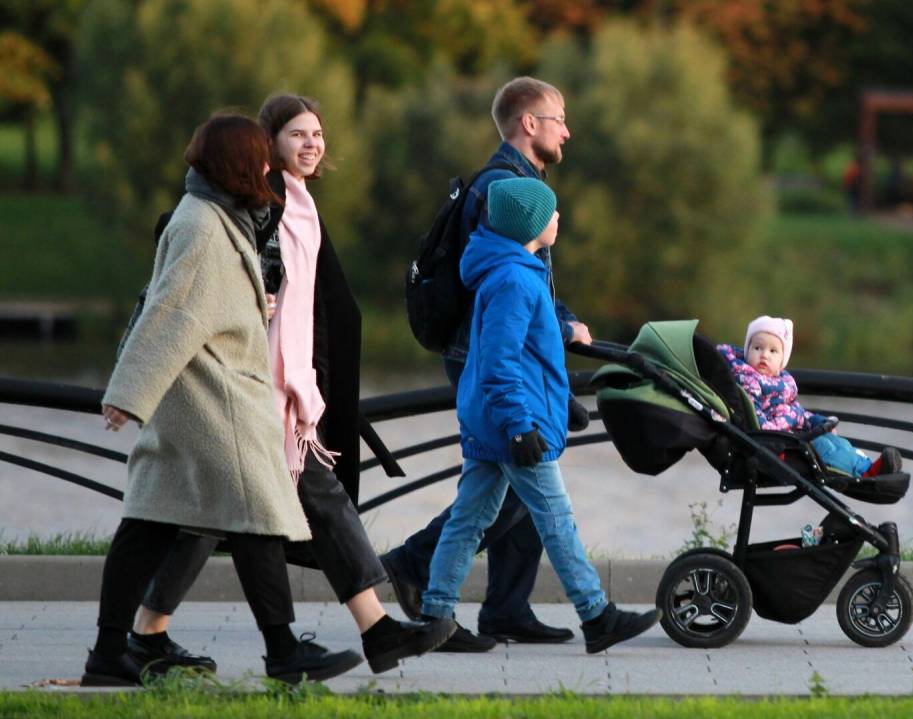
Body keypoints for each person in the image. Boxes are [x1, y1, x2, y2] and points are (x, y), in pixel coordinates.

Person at [127, 95, 455, 677]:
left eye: (318, 135)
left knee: (228, 517)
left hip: (288, 389)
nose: (312, 144)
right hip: (252, 387)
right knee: (275, 510)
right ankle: (348, 635)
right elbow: (207, 270)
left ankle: (146, 635)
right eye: (298, 134)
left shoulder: (300, 203)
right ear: (268, 142)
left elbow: (314, 308)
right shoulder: (262, 203)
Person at [84, 112, 362, 686]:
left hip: (204, 394)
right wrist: (129, 394)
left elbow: (202, 302)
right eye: (260, 156)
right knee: (256, 518)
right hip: (213, 398)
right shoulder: (203, 226)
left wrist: (245, 304)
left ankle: (111, 656)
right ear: (240, 162)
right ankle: (284, 654)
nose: (269, 166)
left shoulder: (214, 215)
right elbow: (172, 313)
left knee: (150, 525)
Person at [380, 77, 589, 651]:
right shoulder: (502, 187)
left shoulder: (520, 183)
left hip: (502, 352)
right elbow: (500, 285)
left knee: (517, 480)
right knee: (515, 478)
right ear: (530, 123)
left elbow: (529, 277)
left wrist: (560, 319)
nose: (567, 129)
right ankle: (413, 565)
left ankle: (505, 607)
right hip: (488, 358)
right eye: (559, 118)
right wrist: (560, 325)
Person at [415, 177, 661, 654]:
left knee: (469, 520)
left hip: (496, 420)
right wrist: (520, 426)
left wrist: (563, 360)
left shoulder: (512, 271)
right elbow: (500, 362)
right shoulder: (513, 279)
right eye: (551, 213)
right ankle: (597, 615)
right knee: (556, 518)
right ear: (530, 224)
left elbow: (525, 345)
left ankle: (435, 617)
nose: (558, 219)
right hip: (512, 424)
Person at [717, 316, 902, 479]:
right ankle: (865, 473)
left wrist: (818, 422)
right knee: (825, 448)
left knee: (836, 441)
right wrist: (793, 430)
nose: (764, 355)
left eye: (773, 351)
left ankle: (869, 465)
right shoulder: (750, 381)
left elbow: (796, 411)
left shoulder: (780, 383)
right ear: (747, 350)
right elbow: (758, 419)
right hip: (776, 441)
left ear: (782, 361)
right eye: (757, 348)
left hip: (790, 432)